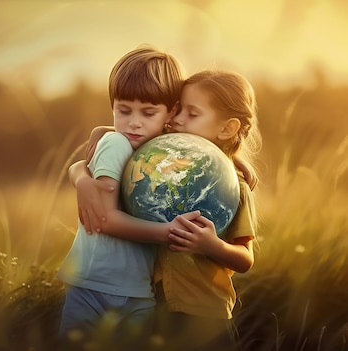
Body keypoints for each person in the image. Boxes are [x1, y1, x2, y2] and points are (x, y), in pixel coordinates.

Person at [71, 69, 262, 350]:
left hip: (206, 316)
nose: (176, 120)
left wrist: (211, 245)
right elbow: (132, 131)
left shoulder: (233, 188)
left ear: (226, 129)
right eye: (177, 110)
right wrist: (96, 140)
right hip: (152, 308)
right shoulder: (160, 160)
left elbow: (245, 259)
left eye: (191, 114)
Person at [56, 44, 201, 347]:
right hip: (94, 287)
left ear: (171, 112)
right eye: (123, 111)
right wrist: (167, 233)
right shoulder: (116, 145)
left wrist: (235, 160)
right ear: (112, 105)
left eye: (148, 113)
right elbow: (106, 220)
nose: (134, 122)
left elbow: (200, 146)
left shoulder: (162, 150)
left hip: (138, 291)